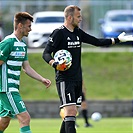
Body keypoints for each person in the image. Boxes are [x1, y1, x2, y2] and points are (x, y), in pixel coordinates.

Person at [42, 5, 133, 133]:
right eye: (78, 17)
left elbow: (96, 41)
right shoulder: (59, 33)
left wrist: (117, 39)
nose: (80, 19)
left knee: (72, 114)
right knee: (70, 113)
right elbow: (46, 53)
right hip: (64, 79)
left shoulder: (78, 32)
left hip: (77, 79)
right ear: (69, 17)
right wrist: (55, 64)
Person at [0, 12, 51, 133]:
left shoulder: (22, 45)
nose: (30, 29)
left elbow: (26, 67)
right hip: (7, 88)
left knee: (4, 121)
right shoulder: (8, 42)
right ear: (20, 26)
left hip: (13, 88)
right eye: (28, 26)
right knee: (25, 118)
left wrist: (41, 79)